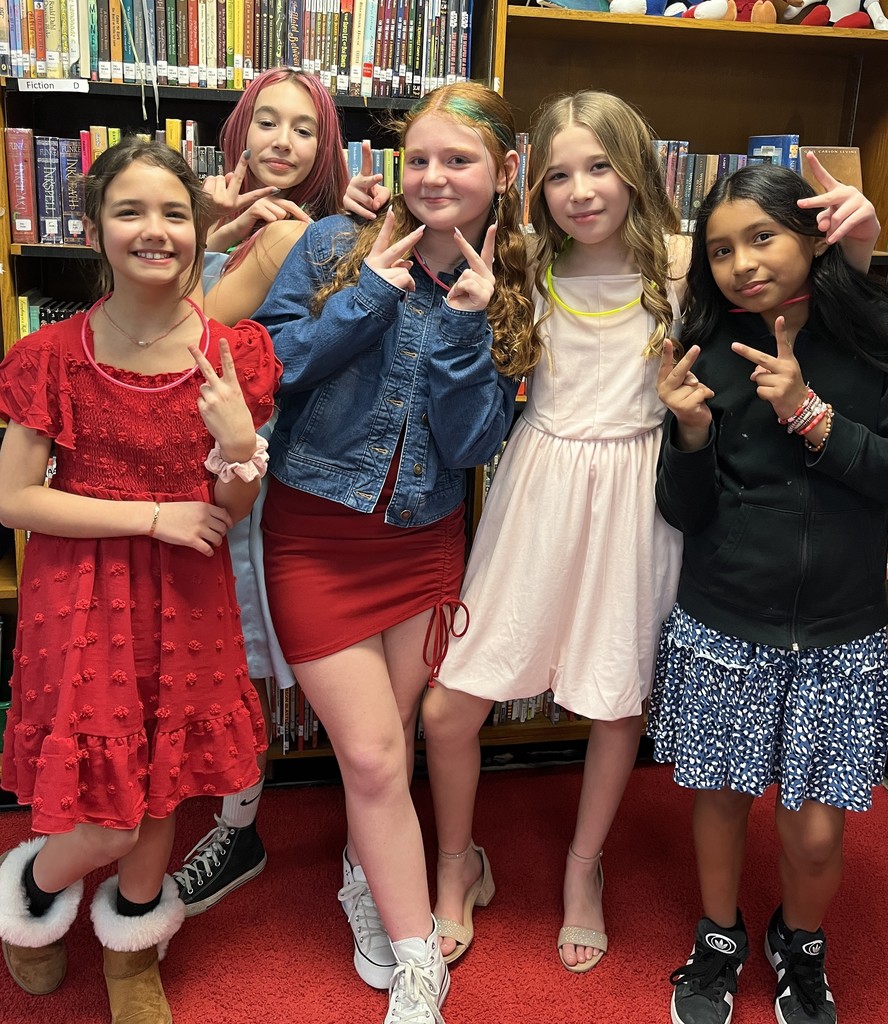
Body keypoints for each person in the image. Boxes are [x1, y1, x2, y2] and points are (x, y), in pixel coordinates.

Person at [419, 90, 884, 977]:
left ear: (637, 169)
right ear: (533, 186)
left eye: (599, 167)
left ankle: (583, 867)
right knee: (450, 706)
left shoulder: (686, 267)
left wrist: (856, 245)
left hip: (641, 491)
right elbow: (432, 231)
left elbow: (795, 295)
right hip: (539, 486)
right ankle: (454, 862)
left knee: (615, 700)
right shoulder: (516, 260)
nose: (581, 190)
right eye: (558, 174)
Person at [252, 80, 536, 1024]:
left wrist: (463, 323)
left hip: (422, 546)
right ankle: (423, 968)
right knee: (374, 756)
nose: (432, 176)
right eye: (417, 158)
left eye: (457, 160)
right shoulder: (336, 244)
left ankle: (364, 863)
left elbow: (469, 449)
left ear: (502, 174)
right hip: (315, 535)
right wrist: (372, 292)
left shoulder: (512, 284)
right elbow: (278, 370)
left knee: (388, 748)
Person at [0, 137, 280, 1021]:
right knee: (105, 809)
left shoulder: (238, 351)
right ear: (93, 229)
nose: (154, 231)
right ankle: (33, 894)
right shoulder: (51, 353)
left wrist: (238, 445)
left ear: (200, 228)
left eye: (173, 213)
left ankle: (130, 938)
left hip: (186, 601)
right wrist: (150, 516)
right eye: (130, 211)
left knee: (163, 780)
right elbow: (13, 501)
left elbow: (231, 512)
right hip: (78, 597)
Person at [651, 162, 888, 1024]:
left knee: (818, 829)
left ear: (812, 235)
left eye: (762, 237)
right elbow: (686, 511)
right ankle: (719, 937)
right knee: (718, 797)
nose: (742, 264)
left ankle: (801, 942)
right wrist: (689, 432)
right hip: (727, 621)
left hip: (845, 633)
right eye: (719, 249)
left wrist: (814, 417)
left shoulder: (873, 341)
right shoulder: (705, 354)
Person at [172, 67, 392, 918]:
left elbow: (194, 338)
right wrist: (208, 223)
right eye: (267, 121)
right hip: (181, 461)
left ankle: (267, 823)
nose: (282, 143)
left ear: (327, 146)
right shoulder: (203, 213)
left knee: (256, 640)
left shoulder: (314, 230)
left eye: (305, 129)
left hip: (266, 461)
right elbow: (142, 328)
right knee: (212, 642)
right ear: (238, 129)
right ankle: (234, 816)